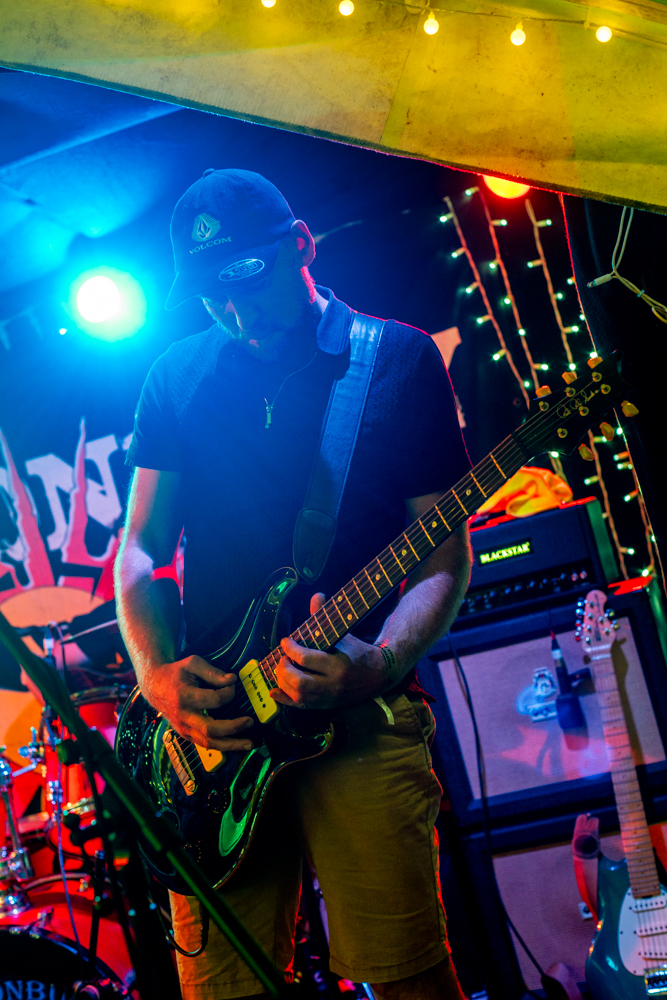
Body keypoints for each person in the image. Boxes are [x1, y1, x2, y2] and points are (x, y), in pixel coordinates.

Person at [115, 168, 472, 1000]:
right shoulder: (174, 376)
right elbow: (139, 550)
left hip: (358, 716)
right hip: (216, 736)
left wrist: (382, 662)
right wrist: (155, 675)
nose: (236, 311)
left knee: (409, 980)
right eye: (212, 294)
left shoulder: (396, 359)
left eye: (248, 277)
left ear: (301, 244)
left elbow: (442, 555)